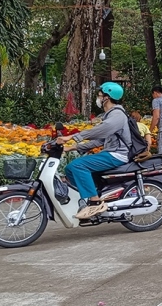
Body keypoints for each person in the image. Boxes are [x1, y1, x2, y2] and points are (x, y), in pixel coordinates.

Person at [56, 82, 131, 219]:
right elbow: (101, 141)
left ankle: (95, 202)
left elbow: (102, 130)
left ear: (107, 97)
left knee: (77, 165)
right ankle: (88, 197)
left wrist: (73, 137)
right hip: (110, 152)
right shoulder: (109, 114)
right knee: (69, 169)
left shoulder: (117, 115)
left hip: (117, 155)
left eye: (100, 95)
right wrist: (72, 147)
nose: (98, 98)